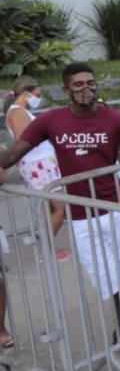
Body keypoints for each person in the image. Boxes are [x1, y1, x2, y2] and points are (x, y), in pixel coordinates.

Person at [0, 62, 120, 353]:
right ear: (66, 90)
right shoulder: (51, 121)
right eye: (78, 85)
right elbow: (13, 155)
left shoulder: (112, 119)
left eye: (90, 83)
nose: (86, 89)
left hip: (116, 209)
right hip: (80, 214)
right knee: (107, 277)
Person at [3, 75, 69, 260]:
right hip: (39, 166)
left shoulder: (19, 111)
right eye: (36, 94)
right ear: (25, 93)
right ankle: (46, 252)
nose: (38, 99)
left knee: (49, 208)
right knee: (59, 209)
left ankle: (47, 250)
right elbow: (23, 140)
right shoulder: (17, 112)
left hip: (41, 164)